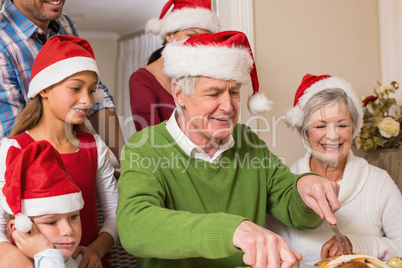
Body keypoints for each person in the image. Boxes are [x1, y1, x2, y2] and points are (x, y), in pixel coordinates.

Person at [117, 31, 341, 268]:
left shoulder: (247, 141)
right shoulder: (145, 147)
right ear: (179, 94)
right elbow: (134, 226)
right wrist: (232, 231)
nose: (228, 106)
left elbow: (295, 209)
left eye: (234, 92)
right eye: (213, 93)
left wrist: (304, 188)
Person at [0, 35, 119, 268]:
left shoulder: (94, 146)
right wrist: (8, 254)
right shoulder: (12, 148)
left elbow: (114, 214)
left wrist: (96, 250)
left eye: (92, 90)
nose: (87, 100)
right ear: (44, 89)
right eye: (75, 88)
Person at [266, 74, 402, 264]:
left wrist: (356, 245)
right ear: (305, 133)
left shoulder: (379, 182)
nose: (332, 136)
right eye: (320, 126)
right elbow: (274, 257)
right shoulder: (284, 188)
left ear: (354, 129)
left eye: (342, 125)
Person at [0, 0, 124, 162]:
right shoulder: (3, 42)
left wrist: (125, 160)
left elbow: (98, 97)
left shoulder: (65, 24)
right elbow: (13, 142)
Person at [129, 0, 220, 131]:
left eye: (205, 39)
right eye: (191, 35)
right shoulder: (141, 80)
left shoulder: (203, 75)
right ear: (169, 35)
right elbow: (151, 139)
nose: (198, 44)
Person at [2, 140, 85, 267]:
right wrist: (46, 254)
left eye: (73, 217)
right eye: (51, 222)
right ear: (20, 229)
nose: (68, 230)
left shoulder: (77, 261)